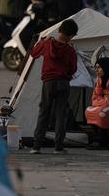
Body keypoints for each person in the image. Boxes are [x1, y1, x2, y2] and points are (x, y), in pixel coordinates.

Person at [30, 19, 79, 154]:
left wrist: (42, 41)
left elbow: (33, 53)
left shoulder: (47, 44)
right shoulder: (70, 50)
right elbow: (73, 69)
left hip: (48, 83)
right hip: (63, 83)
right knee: (61, 114)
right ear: (71, 36)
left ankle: (36, 146)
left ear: (59, 31)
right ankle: (58, 146)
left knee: (44, 113)